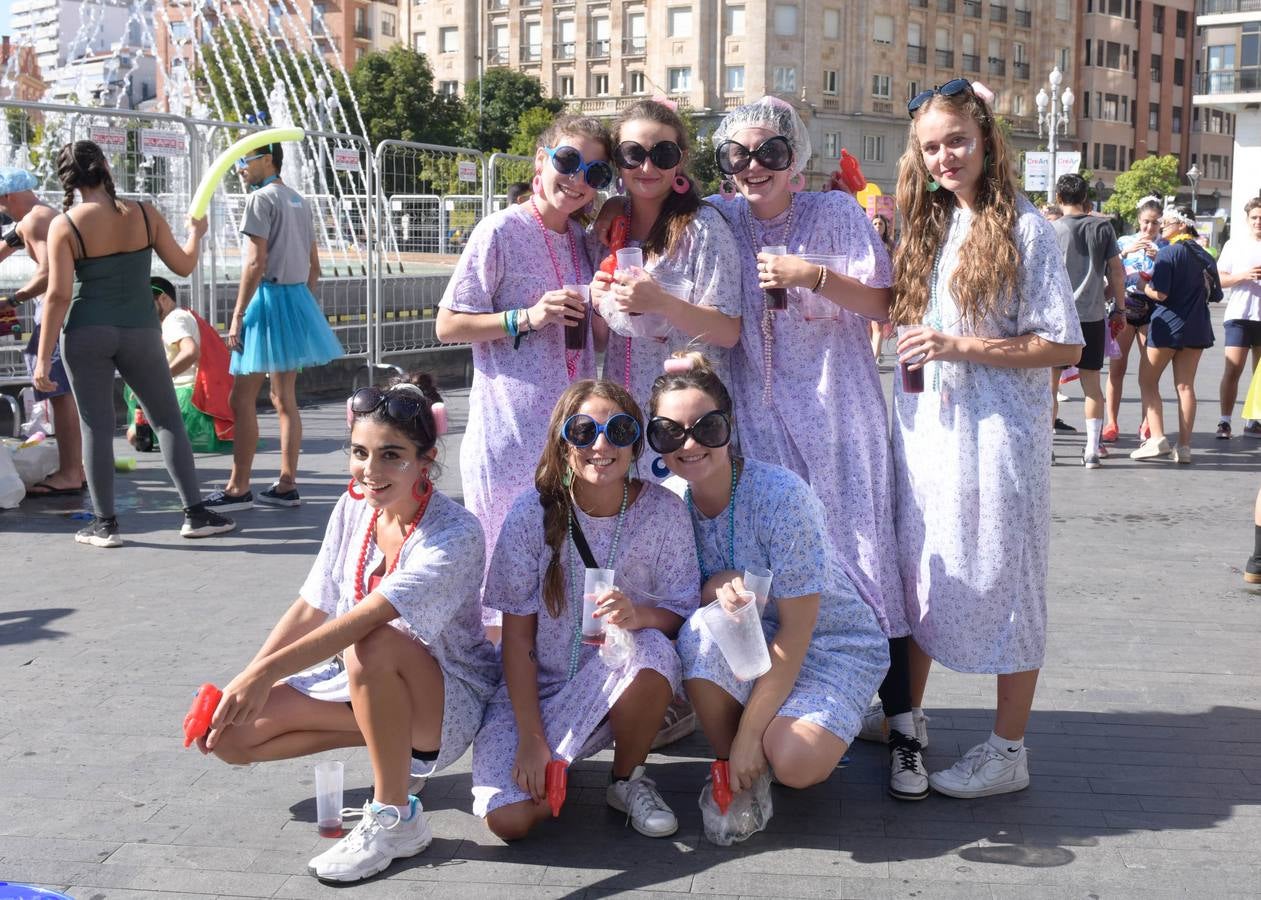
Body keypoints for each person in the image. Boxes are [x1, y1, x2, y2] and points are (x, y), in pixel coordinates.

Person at [199, 374, 498, 883]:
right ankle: (392, 756)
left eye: (391, 455)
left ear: (425, 461)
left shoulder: (456, 532)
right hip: (362, 682)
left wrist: (264, 676)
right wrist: (246, 681)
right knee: (229, 738)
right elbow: (312, 605)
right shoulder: (353, 506)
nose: (370, 471)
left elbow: (366, 621)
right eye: (360, 452)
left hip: (448, 701)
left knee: (372, 641)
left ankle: (394, 817)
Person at [703, 97, 915, 798]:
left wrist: (813, 276)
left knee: (857, 551)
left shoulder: (835, 214)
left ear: (797, 159)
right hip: (755, 418)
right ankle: (783, 693)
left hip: (834, 411)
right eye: (739, 154)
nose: (754, 166)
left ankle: (898, 713)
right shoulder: (719, 217)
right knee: (769, 561)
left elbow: (887, 302)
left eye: (770, 152)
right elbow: (649, 210)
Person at [891, 78, 1082, 798]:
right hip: (930, 434)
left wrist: (955, 344)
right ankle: (905, 724)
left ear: (986, 141)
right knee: (920, 570)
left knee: (1008, 579)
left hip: (1000, 437)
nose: (944, 157)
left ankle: (1007, 750)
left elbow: (1061, 346)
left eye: (956, 141)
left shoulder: (1024, 227)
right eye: (931, 146)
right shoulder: (934, 223)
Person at [652, 353, 889, 807]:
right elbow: (675, 599)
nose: (690, 443)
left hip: (828, 643)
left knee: (796, 763)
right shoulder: (667, 503)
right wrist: (714, 585)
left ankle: (769, 737)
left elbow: (799, 634)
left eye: (708, 427)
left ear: (730, 425)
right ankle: (733, 765)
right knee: (703, 627)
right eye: (670, 431)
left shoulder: (781, 495)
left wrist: (750, 735)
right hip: (750, 641)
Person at [471, 379, 699, 840]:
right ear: (562, 441)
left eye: (618, 430)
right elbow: (515, 640)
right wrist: (533, 740)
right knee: (509, 821)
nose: (601, 444)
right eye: (583, 431)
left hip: (615, 681)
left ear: (635, 442)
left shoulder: (664, 510)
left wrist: (640, 615)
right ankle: (557, 756)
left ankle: (627, 778)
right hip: (537, 691)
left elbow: (680, 608)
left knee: (651, 649)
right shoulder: (530, 514)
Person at [435, 114, 609, 639]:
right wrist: (526, 317)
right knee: (504, 575)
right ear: (541, 160)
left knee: (561, 564)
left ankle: (554, 687)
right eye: (568, 161)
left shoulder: (583, 241)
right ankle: (501, 698)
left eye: (594, 172)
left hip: (573, 437)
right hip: (509, 435)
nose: (577, 179)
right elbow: (447, 324)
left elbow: (597, 339)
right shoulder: (501, 230)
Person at [35, 141, 235, 547]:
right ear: (106, 167)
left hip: (87, 331)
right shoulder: (144, 212)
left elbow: (57, 296)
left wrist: (43, 357)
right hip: (141, 330)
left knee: (96, 427)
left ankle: (105, 525)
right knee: (166, 420)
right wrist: (196, 235)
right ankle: (195, 514)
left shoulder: (66, 224)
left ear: (67, 180)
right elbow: (182, 265)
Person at [590, 99, 742, 474]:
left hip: (686, 423)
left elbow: (727, 331)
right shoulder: (608, 230)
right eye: (632, 153)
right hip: (622, 417)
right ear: (617, 162)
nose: (647, 166)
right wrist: (594, 301)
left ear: (681, 159)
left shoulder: (702, 228)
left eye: (662, 153)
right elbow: (600, 338)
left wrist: (662, 303)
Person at [204, 142, 343, 512]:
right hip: (295, 298)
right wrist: (303, 306)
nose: (240, 170)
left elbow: (254, 262)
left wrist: (237, 315)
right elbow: (315, 265)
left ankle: (238, 487)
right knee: (285, 399)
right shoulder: (299, 200)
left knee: (241, 397)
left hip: (266, 301)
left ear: (267, 160)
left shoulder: (260, 200)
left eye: (244, 161)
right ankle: (287, 483)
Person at [0, 167, 85, 496]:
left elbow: (50, 275)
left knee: (59, 394)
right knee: (65, 394)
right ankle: (76, 467)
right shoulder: (37, 217)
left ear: (8, 196)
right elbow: (5, 245)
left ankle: (70, 473)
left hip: (57, 314)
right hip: (65, 312)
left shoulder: (36, 220)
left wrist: (11, 299)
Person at [1049, 173, 1127, 467]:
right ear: (1085, 198)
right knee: (1091, 384)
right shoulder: (1103, 228)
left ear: (1059, 198)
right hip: (1093, 316)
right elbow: (1117, 273)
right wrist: (1119, 306)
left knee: (1050, 385)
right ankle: (1092, 450)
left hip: (1057, 318)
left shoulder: (1051, 230)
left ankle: (1048, 449)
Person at [1130, 205, 1217, 464]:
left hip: (1167, 325)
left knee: (1147, 381)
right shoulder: (1206, 254)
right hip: (1197, 326)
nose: (1162, 225)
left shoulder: (1168, 253)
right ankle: (1185, 446)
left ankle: (1157, 438)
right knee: (1186, 386)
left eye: (1167, 222)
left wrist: (1142, 286)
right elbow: (1217, 294)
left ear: (1182, 224)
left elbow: (1161, 294)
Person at [125, 277, 233, 454]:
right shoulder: (182, 315)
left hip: (187, 397)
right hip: (199, 394)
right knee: (137, 431)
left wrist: (160, 379)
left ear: (164, 299)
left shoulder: (174, 319)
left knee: (134, 434)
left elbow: (191, 352)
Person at [1105, 196, 1166, 444]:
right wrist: (1124, 253)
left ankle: (1146, 423)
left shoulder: (1165, 246)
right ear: (1138, 221)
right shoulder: (1124, 242)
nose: (1149, 228)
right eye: (1145, 222)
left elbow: (1170, 277)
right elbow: (1110, 269)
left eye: (1154, 224)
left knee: (1148, 372)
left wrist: (1160, 257)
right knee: (1117, 368)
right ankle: (1111, 422)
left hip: (1152, 308)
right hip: (1126, 304)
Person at [1215, 197, 1261, 440]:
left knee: (1260, 375)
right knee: (1233, 369)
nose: (1258, 222)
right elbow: (1219, 279)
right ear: (1247, 219)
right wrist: (1243, 276)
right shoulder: (1235, 245)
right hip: (1239, 315)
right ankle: (1225, 421)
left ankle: (1254, 421)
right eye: (1254, 217)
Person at [869, 215, 896, 359]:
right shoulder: (866, 243)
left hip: (884, 288)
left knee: (877, 325)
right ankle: (873, 354)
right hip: (868, 287)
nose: (878, 226)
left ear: (885, 227)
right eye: (875, 223)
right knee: (867, 326)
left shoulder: (891, 245)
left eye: (880, 224)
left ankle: (875, 358)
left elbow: (897, 266)